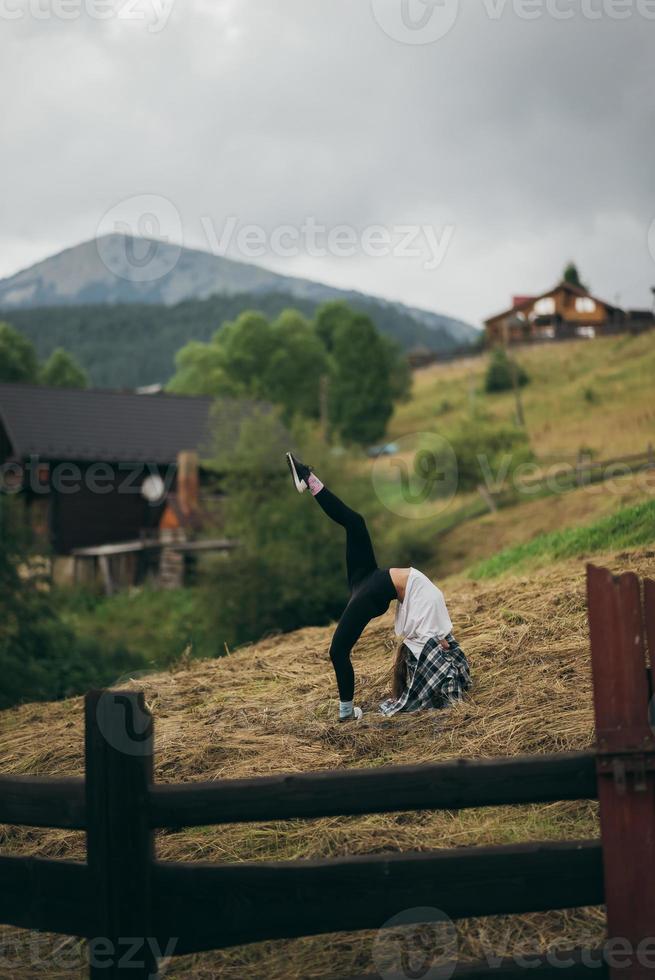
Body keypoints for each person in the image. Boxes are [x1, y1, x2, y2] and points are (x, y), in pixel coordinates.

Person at [286, 452, 471, 722]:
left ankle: (346, 713)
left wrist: (442, 648)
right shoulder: (434, 609)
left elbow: (430, 644)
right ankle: (307, 477)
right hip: (369, 578)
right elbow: (433, 641)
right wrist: (443, 644)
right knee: (355, 523)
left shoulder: (433, 615)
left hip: (374, 588)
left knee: (338, 651)